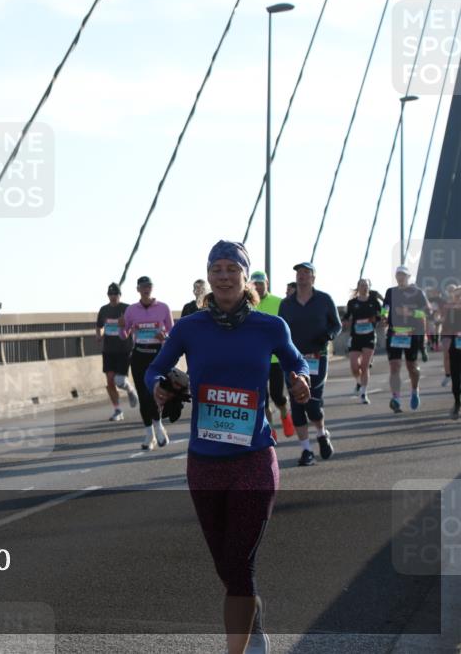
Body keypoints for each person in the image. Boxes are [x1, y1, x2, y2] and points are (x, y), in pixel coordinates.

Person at [147, 241, 310, 654]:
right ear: (209, 276)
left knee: (238, 559)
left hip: (254, 458)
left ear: (244, 276)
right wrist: (160, 388)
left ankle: (237, 646)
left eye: (231, 269)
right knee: (226, 563)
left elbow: (296, 361)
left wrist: (301, 380)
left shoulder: (270, 327)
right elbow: (155, 368)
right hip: (204, 462)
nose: (223, 276)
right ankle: (255, 625)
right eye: (216, 269)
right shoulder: (189, 327)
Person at [279, 263, 342, 466]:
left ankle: (322, 434)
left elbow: (337, 324)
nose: (301, 276)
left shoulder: (324, 300)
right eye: (298, 273)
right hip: (293, 360)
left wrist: (328, 335)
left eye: (306, 273)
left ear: (313, 278)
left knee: (313, 403)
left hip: (316, 357)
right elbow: (280, 330)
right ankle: (306, 450)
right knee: (297, 404)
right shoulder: (286, 304)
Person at [121, 276, 173, 450]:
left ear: (152, 288)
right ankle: (148, 433)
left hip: (157, 355)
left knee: (154, 393)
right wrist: (122, 327)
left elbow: (172, 334)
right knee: (143, 396)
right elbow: (124, 335)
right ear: (138, 289)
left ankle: (158, 427)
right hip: (139, 355)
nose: (146, 289)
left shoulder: (163, 308)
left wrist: (163, 336)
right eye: (143, 286)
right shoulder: (131, 310)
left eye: (149, 286)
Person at [250, 271, 295, 436]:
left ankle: (285, 412)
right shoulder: (248, 304)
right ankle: (270, 430)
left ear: (266, 283)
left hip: (276, 358)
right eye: (254, 284)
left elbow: (287, 327)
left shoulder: (278, 302)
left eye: (260, 283)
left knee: (277, 395)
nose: (258, 287)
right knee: (262, 398)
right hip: (257, 358)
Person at [382, 265, 432, 413]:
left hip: (412, 333)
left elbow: (427, 312)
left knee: (412, 367)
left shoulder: (417, 292)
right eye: (398, 275)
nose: (400, 277)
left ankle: (415, 390)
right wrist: (384, 316)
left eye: (403, 275)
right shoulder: (390, 292)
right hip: (394, 333)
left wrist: (410, 312)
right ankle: (396, 398)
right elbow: (385, 307)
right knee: (395, 366)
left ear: (408, 277)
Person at [96, 282, 138, 422]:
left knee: (119, 381)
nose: (113, 297)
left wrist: (125, 326)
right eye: (111, 294)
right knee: (110, 381)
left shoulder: (127, 309)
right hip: (108, 350)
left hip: (124, 349)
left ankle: (130, 390)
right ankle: (117, 410)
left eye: (116, 294)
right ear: (108, 295)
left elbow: (134, 326)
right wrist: (99, 335)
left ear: (120, 295)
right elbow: (99, 326)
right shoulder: (103, 310)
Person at [342, 279, 382, 405]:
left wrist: (378, 319)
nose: (364, 288)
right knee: (354, 367)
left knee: (364, 366)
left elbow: (381, 315)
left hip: (369, 336)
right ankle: (359, 382)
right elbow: (347, 316)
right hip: (356, 336)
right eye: (362, 285)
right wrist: (344, 322)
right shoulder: (352, 302)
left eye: (366, 286)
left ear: (369, 287)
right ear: (358, 287)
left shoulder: (374, 302)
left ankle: (364, 393)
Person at [442, 285, 461, 419]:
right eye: (457, 296)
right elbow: (446, 328)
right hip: (456, 346)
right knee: (456, 378)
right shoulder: (451, 312)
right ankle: (457, 403)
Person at [443, 284, 458, 388]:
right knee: (447, 354)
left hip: (458, 333)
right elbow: (438, 314)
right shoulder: (444, 303)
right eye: (449, 291)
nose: (451, 292)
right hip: (447, 332)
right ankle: (448, 375)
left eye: (453, 290)